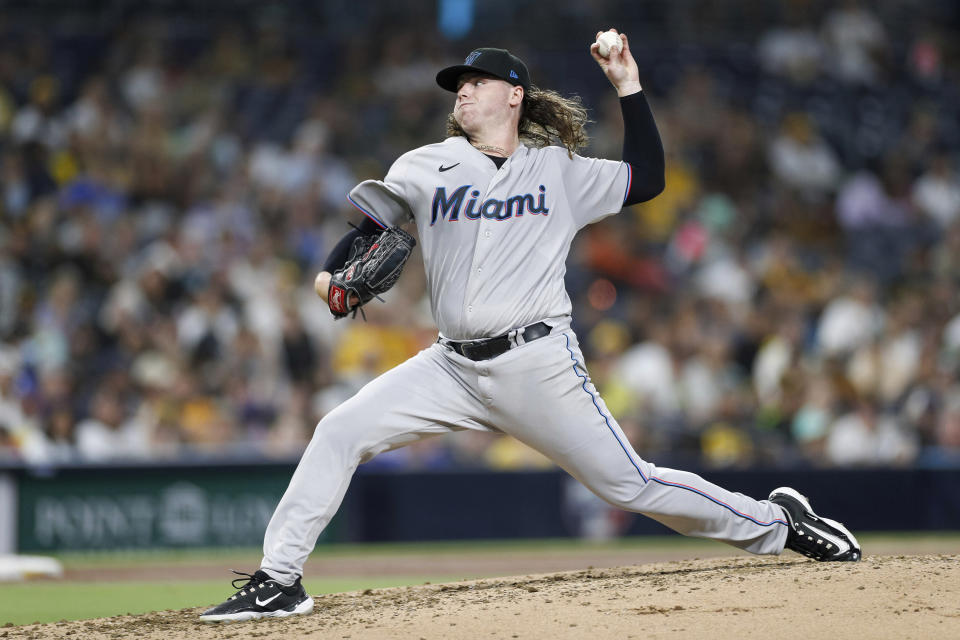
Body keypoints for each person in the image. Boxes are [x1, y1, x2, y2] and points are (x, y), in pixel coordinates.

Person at [200, 29, 861, 623]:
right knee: (338, 430)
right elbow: (364, 237)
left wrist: (627, 86)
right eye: (457, 85)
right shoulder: (423, 165)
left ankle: (780, 523)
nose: (461, 92)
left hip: (536, 363)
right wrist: (329, 283)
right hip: (450, 366)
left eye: (474, 82)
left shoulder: (559, 171)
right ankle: (279, 580)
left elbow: (650, 179)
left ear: (513, 96)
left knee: (630, 484)